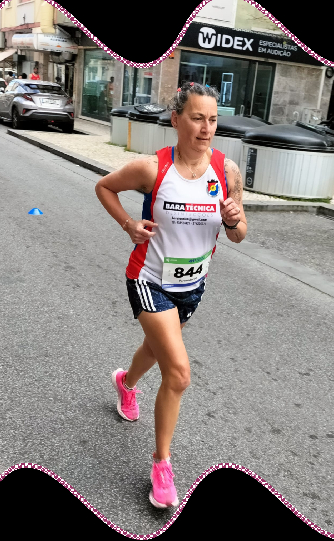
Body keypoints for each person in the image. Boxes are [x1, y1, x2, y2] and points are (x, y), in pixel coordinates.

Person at [95, 82, 247, 508]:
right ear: (177, 119)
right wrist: (128, 224)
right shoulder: (152, 168)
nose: (206, 128)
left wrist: (233, 219)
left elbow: (239, 234)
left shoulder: (227, 171)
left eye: (212, 120)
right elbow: (104, 187)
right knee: (178, 372)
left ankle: (126, 383)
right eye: (197, 118)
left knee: (155, 347)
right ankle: (161, 465)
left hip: (192, 287)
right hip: (148, 279)